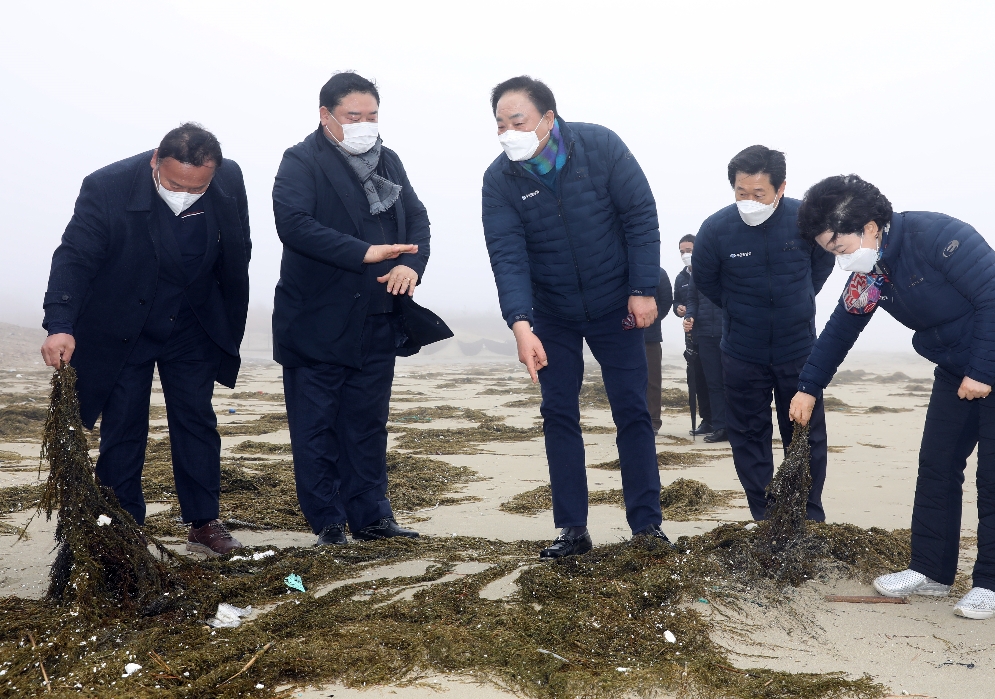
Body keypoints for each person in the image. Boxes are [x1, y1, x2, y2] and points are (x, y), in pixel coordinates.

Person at [790, 174, 995, 620]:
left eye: (839, 249)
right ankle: (931, 572)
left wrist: (983, 371)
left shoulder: (938, 236)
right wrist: (809, 386)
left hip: (990, 359)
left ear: (868, 227)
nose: (841, 261)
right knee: (937, 466)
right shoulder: (874, 271)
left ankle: (991, 582)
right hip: (955, 371)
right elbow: (840, 330)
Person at [40, 123, 251, 556]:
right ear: (156, 159)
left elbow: (237, 248)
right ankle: (123, 528)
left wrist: (229, 321)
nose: (187, 193)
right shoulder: (107, 186)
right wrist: (59, 323)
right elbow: (74, 256)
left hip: (192, 322)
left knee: (196, 419)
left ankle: (203, 521)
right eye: (176, 184)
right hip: (123, 324)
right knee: (123, 424)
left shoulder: (229, 178)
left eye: (199, 187)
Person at [482, 75, 669, 559]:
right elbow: (507, 255)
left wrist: (643, 289)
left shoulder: (600, 145)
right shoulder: (499, 179)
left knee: (633, 411)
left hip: (617, 306)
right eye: (499, 123)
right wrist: (521, 324)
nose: (507, 132)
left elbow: (640, 216)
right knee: (558, 414)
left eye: (516, 121)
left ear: (547, 118)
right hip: (552, 314)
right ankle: (572, 529)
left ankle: (646, 526)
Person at [272, 72, 451, 547]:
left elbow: (417, 219)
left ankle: (372, 518)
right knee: (317, 428)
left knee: (367, 424)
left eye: (372, 116)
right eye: (355, 116)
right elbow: (293, 225)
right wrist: (363, 252)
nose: (365, 125)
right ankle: (329, 523)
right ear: (326, 115)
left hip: (377, 317)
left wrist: (411, 266)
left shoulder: (388, 160)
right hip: (317, 320)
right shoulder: (301, 160)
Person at [692, 145, 834, 521]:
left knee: (805, 436)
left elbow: (820, 266)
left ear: (781, 188)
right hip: (741, 350)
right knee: (749, 436)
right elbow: (707, 281)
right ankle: (766, 516)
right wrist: (743, 309)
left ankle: (808, 515)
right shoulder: (717, 229)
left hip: (798, 348)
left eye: (759, 194)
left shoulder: (807, 220)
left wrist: (796, 301)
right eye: (742, 192)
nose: (749, 201)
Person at [683, 265, 726, 442]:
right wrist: (690, 316)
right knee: (713, 382)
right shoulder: (697, 272)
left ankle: (739, 426)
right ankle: (720, 427)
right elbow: (692, 299)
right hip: (705, 335)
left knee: (735, 382)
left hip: (730, 333)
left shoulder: (729, 265)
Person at [674, 234, 712, 435]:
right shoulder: (680, 278)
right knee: (698, 380)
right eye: (682, 252)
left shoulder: (709, 271)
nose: (685, 255)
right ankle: (706, 420)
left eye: (689, 251)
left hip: (711, 334)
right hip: (692, 337)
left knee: (715, 379)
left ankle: (722, 421)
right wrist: (679, 308)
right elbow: (674, 303)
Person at [644, 267, 673, 432]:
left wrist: (652, 318)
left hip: (651, 336)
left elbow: (666, 301)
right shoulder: (618, 269)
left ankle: (653, 421)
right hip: (623, 336)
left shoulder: (659, 272)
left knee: (652, 380)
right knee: (626, 380)